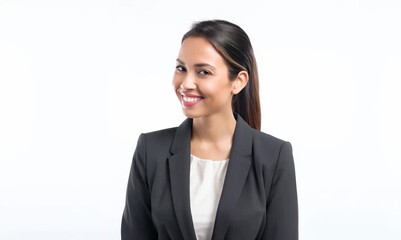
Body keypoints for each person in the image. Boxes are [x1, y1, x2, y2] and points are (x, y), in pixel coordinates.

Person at [121, 19, 298, 240]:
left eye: (203, 72)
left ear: (238, 81)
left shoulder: (273, 156)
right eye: (181, 68)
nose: (186, 83)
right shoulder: (150, 150)